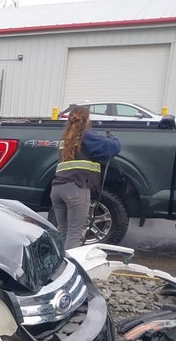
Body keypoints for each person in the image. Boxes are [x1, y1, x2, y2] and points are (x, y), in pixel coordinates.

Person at [50, 105, 122, 249]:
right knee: (75, 233)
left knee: (63, 232)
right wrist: (113, 138)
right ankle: (72, 268)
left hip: (57, 190)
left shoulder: (66, 139)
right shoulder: (86, 135)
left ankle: (58, 265)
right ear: (86, 120)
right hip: (75, 189)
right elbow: (111, 148)